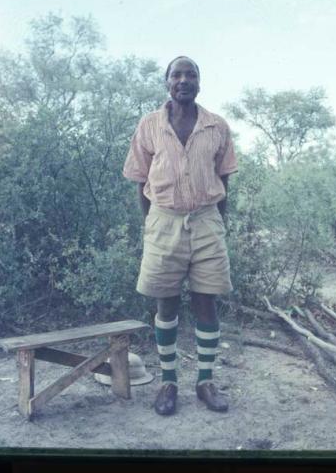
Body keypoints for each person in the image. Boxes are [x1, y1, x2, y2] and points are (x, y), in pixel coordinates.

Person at [122, 56, 238, 416]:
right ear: (167, 82)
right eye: (177, 75)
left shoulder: (216, 126)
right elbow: (140, 181)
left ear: (200, 83)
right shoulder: (150, 125)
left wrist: (214, 222)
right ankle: (168, 383)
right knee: (166, 304)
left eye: (191, 74)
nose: (184, 80)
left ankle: (205, 381)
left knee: (206, 302)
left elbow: (225, 178)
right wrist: (153, 224)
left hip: (206, 221)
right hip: (163, 221)